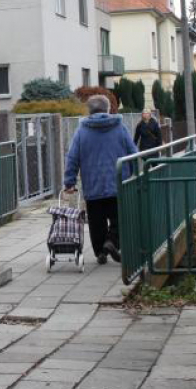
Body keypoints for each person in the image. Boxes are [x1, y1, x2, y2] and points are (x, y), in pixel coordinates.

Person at [63, 95, 138, 265]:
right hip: (118, 182)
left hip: (92, 185)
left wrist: (70, 181)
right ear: (108, 109)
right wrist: (135, 173)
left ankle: (100, 252)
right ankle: (111, 242)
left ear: (89, 110)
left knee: (97, 222)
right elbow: (133, 152)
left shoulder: (82, 131)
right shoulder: (120, 128)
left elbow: (72, 157)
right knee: (120, 219)